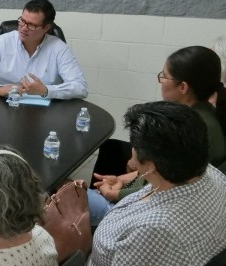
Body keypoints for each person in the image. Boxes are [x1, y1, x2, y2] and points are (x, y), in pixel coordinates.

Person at [55, 101, 226, 266]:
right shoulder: (211, 175)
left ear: (152, 165)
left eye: (134, 150)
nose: (130, 157)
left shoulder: (155, 231)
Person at [88, 46, 226, 225]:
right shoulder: (200, 116)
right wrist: (124, 179)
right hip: (152, 191)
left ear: (183, 87)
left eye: (164, 76)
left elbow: (166, 187)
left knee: (73, 196)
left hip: (150, 208)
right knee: (111, 148)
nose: (161, 81)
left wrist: (116, 194)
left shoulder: (187, 129)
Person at [0, 0, 88, 100]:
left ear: (46, 28)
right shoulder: (3, 41)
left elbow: (80, 87)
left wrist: (46, 90)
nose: (24, 28)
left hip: (44, 112)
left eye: (31, 25)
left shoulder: (59, 49)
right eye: (22, 21)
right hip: (4, 106)